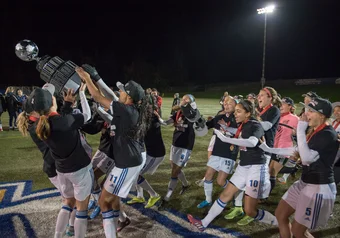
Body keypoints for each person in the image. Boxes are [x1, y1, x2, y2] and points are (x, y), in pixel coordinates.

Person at [76, 65, 152, 238]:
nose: (120, 93)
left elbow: (97, 96)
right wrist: (95, 78)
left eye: (123, 91)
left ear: (130, 97)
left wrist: (87, 78)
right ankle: (122, 220)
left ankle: (115, 228)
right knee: (107, 197)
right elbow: (109, 97)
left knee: (104, 201)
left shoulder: (126, 110)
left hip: (127, 163)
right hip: (127, 160)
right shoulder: (129, 109)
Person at [187, 100, 277, 231]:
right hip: (243, 167)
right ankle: (203, 223)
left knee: (250, 210)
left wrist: (225, 138)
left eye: (239, 111)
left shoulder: (255, 125)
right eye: (235, 111)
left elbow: (252, 142)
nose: (235, 114)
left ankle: (279, 223)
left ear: (248, 113)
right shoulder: (243, 125)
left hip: (256, 168)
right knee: (225, 195)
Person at [260, 97, 338, 238]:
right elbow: (296, 150)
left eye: (311, 111)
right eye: (307, 109)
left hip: (318, 187)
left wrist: (300, 131)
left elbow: (307, 158)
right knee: (280, 214)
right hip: (305, 182)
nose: (306, 114)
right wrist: (268, 148)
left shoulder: (328, 134)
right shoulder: (316, 130)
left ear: (322, 115)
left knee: (298, 231)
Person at [17, 84, 78, 236]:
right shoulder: (41, 125)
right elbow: (61, 123)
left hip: (52, 166)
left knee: (69, 199)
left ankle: (70, 226)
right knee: (70, 201)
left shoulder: (33, 122)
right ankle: (67, 229)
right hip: (56, 167)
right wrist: (66, 106)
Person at [196, 96, 238, 209]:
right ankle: (208, 200)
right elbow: (205, 127)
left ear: (236, 105)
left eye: (229, 103)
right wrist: (198, 121)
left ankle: (235, 194)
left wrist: (226, 128)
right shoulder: (219, 117)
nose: (226, 104)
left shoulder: (239, 118)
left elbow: (239, 133)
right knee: (208, 176)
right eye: (225, 103)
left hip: (229, 154)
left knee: (220, 181)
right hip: (217, 152)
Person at [156, 94, 197, 208]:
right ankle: (185, 185)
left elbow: (194, 115)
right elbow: (166, 123)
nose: (183, 100)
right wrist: (157, 117)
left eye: (186, 99)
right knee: (174, 168)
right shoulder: (178, 113)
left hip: (186, 147)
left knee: (174, 171)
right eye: (182, 99)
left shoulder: (192, 114)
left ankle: (167, 197)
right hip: (176, 144)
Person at [127, 93, 165, 209]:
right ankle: (140, 196)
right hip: (150, 152)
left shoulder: (152, 119)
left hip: (156, 154)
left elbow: (140, 131)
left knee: (137, 174)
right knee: (137, 171)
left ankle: (154, 195)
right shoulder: (149, 116)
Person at [269, 97, 299, 186]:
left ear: (290, 106)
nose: (280, 106)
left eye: (283, 104)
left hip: (283, 149)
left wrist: (295, 133)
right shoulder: (277, 116)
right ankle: (291, 169)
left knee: (272, 172)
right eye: (280, 104)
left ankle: (265, 196)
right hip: (272, 147)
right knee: (268, 171)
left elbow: (299, 134)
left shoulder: (294, 118)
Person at [331, 101, 340, 184]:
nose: (336, 113)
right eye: (335, 111)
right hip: (332, 149)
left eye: (338, 111)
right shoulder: (333, 122)